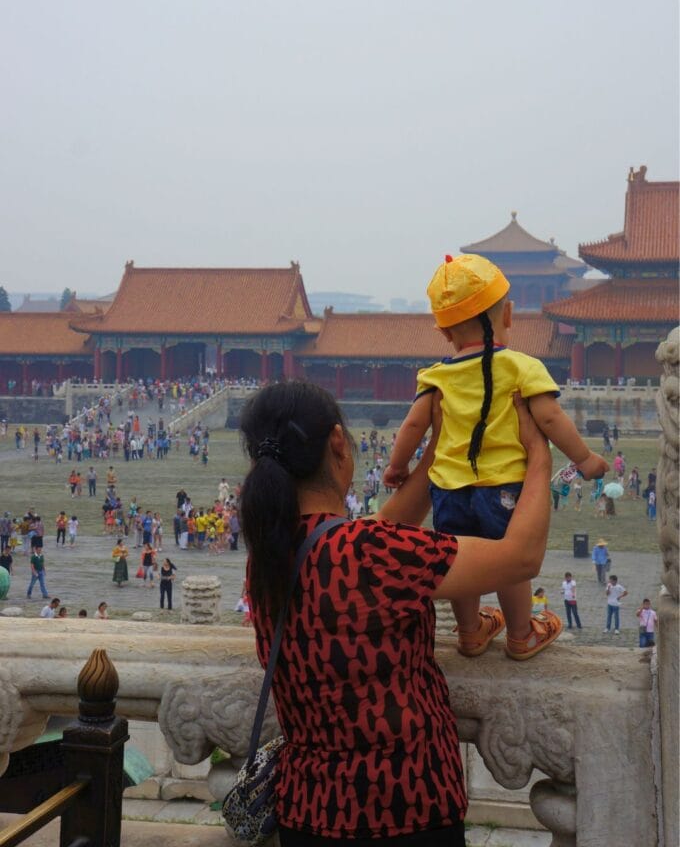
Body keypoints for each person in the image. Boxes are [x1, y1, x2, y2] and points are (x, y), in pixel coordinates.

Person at [239, 380, 554, 844]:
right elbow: (522, 556)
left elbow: (375, 538)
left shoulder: (268, 556)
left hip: (306, 812)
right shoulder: (368, 553)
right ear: (338, 445)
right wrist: (539, 457)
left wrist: (436, 453)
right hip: (406, 810)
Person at [384, 254, 607, 660]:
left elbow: (413, 427)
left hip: (448, 488)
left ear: (445, 331)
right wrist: (587, 459)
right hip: (503, 486)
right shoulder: (522, 366)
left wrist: (397, 467)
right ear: (508, 314)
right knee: (507, 560)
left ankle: (471, 633)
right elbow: (551, 419)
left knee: (455, 557)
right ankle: (522, 634)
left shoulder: (436, 376)